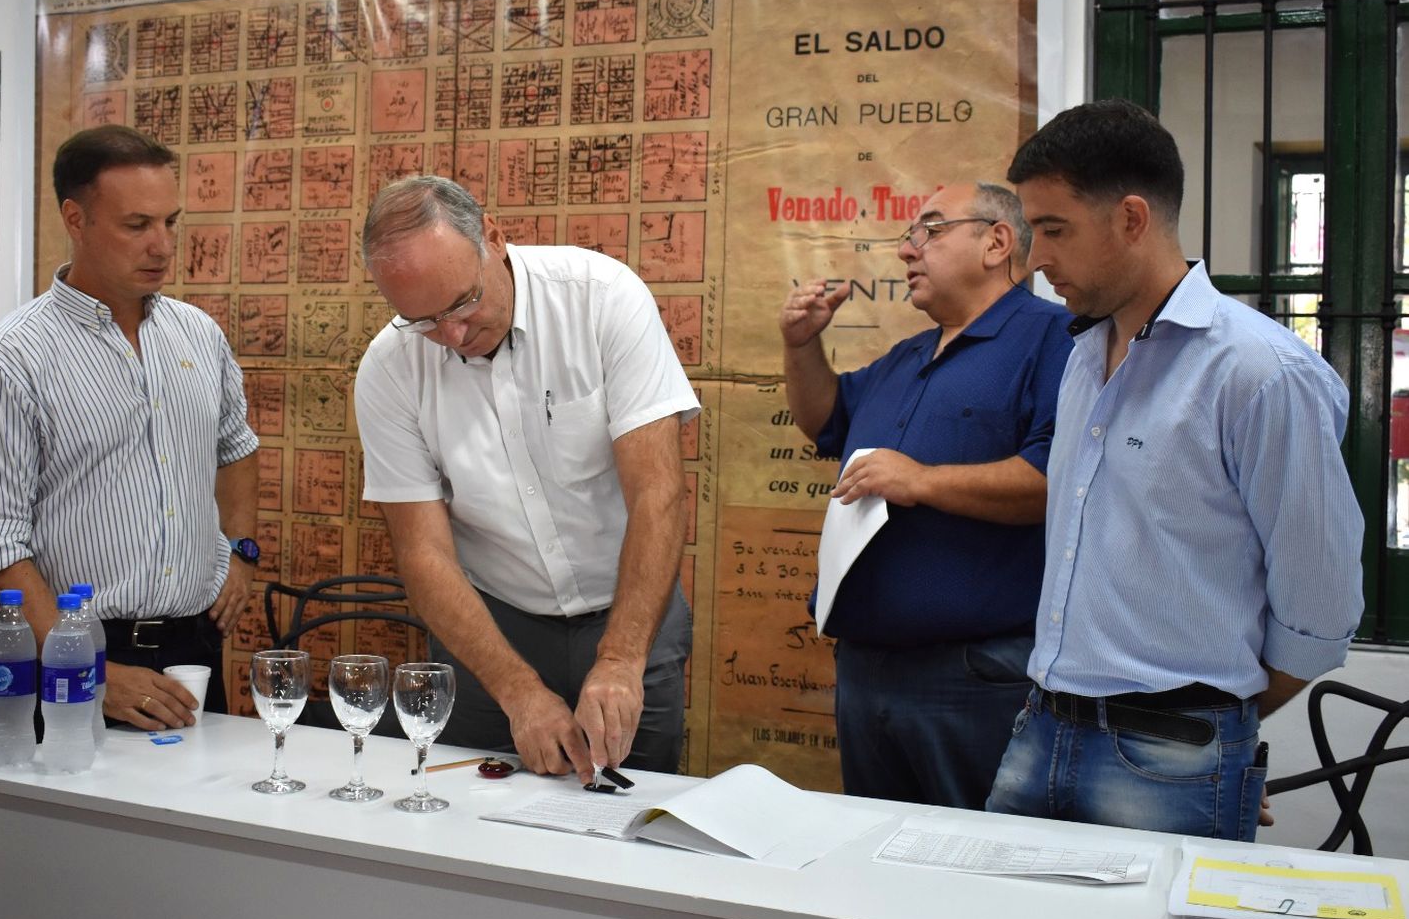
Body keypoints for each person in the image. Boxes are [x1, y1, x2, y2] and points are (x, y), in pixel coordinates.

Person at [986, 99, 1365, 839]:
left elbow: (1320, 609)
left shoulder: (1259, 373)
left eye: (1054, 230)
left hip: (1172, 748)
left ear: (1132, 218)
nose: (1034, 261)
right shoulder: (1082, 358)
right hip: (1041, 722)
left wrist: (1214, 733)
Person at [354, 175, 698, 783]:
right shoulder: (389, 366)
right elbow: (423, 552)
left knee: (635, 809)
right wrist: (518, 691)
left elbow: (658, 493)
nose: (453, 336)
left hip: (629, 609)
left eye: (462, 303)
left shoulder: (602, 298)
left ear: (494, 237)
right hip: (493, 625)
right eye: (423, 320)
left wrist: (620, 659)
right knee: (486, 816)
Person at [0, 124, 259, 729]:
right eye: (137, 225)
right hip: (77, 662)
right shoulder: (8, 361)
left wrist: (242, 554)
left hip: (194, 650)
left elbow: (236, 447)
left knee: (200, 821)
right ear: (76, 219)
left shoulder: (198, 335)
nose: (163, 246)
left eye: (171, 222)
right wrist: (88, 668)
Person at [779, 182, 1073, 808]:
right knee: (876, 866)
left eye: (930, 231)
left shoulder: (1055, 339)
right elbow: (825, 420)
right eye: (909, 235)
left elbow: (1056, 482)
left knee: (971, 870)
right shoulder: (908, 355)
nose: (908, 250)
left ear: (997, 242)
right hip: (865, 669)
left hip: (973, 677)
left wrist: (920, 480)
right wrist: (802, 346)